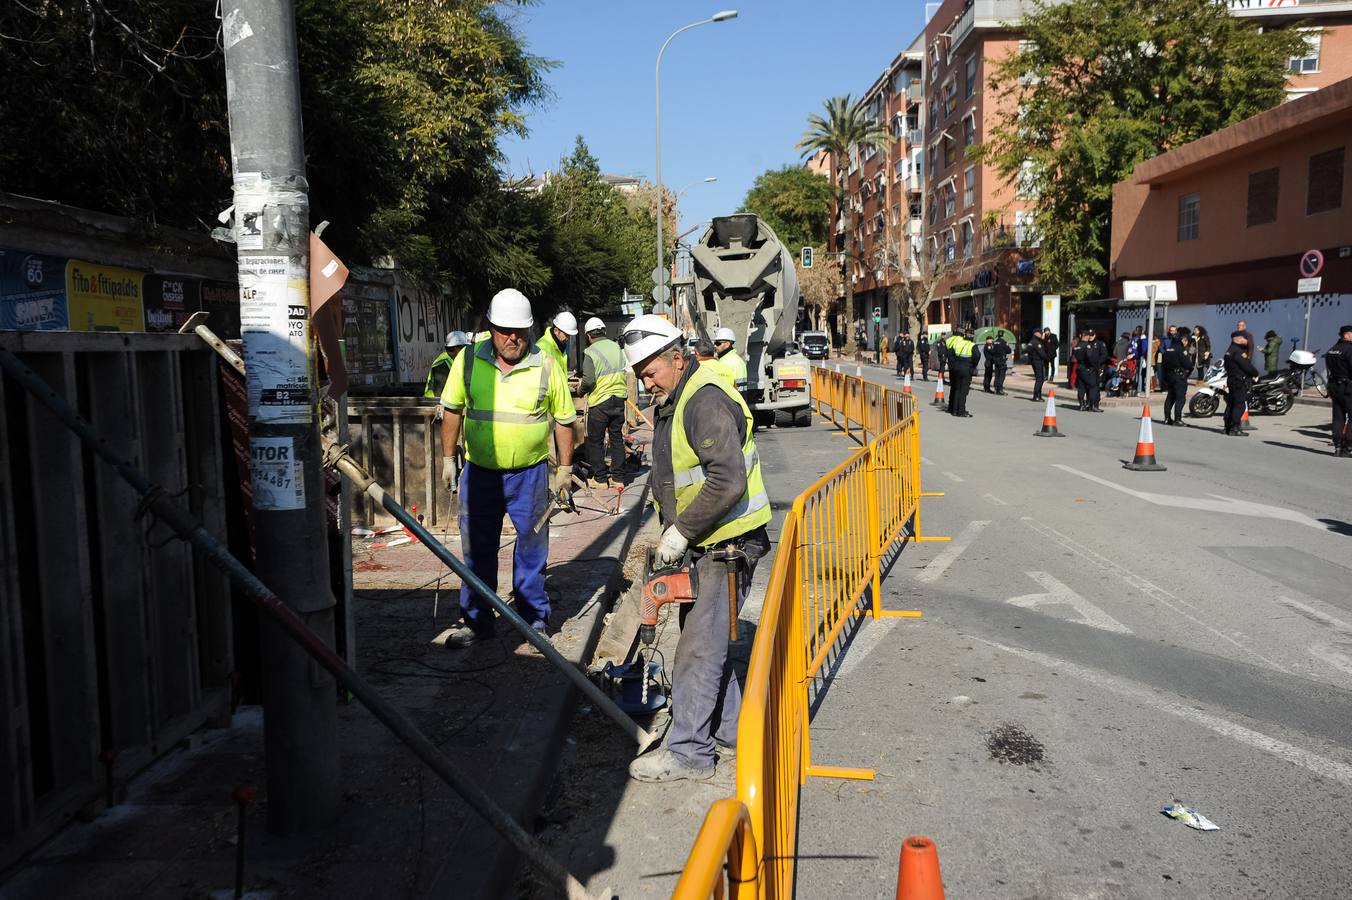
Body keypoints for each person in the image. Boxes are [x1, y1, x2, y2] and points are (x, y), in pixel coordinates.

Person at [621, 314, 771, 782]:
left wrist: (682, 530)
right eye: (641, 375)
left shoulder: (703, 400)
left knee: (697, 651)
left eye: (651, 372)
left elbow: (726, 478)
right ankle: (730, 733)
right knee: (709, 644)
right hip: (709, 545)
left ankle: (688, 751)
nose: (647, 384)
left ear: (677, 358)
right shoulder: (677, 396)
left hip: (725, 546)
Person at [439, 288, 577, 647]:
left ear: (530, 330)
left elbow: (564, 419)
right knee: (477, 549)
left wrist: (564, 469)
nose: (513, 337)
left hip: (528, 475)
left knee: (532, 547)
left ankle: (533, 619)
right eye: (504, 330)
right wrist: (446, 458)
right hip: (480, 473)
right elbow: (452, 409)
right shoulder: (467, 361)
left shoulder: (546, 364)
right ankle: (477, 621)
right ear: (491, 327)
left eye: (520, 330)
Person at [580, 317, 629, 490]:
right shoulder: (617, 347)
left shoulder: (590, 352)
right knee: (616, 438)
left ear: (588, 335)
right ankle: (618, 478)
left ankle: (600, 479)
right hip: (618, 399)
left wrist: (580, 391)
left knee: (596, 441)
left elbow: (588, 380)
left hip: (600, 401)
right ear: (604, 332)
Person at [1222, 331, 1259, 436]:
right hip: (1239, 381)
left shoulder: (1229, 350)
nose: (1246, 341)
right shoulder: (1238, 351)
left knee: (1231, 404)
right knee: (1240, 405)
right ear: (1238, 339)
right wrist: (1255, 373)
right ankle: (1235, 428)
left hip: (1232, 379)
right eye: (1244, 338)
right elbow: (1247, 366)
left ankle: (1227, 427)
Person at [1327, 325, 1352, 457]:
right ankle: (1348, 447)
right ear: (1346, 335)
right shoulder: (1349, 349)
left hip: (1334, 386)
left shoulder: (1332, 349)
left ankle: (1337, 446)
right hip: (1348, 387)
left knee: (1338, 417)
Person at [424, 330, 472, 400]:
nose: (467, 350)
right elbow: (440, 394)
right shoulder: (442, 365)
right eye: (465, 347)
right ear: (456, 349)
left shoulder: (455, 359)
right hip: (433, 405)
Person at [1161, 327, 1195, 426]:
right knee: (1180, 398)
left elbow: (1164, 365)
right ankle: (1178, 419)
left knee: (1170, 398)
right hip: (1179, 377)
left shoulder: (1168, 349)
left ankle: (1167, 418)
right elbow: (1188, 365)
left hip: (1170, 375)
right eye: (1186, 341)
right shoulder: (1181, 350)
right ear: (1183, 340)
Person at [944, 326, 977, 417]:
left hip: (954, 367)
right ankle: (961, 411)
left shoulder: (952, 341)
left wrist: (953, 363)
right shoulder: (971, 345)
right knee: (963, 391)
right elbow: (977, 356)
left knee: (955, 388)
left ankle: (953, 409)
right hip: (966, 368)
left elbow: (949, 353)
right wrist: (972, 366)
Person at [1072, 327, 1107, 411]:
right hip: (1087, 368)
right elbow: (1090, 358)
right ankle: (1093, 406)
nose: (1089, 337)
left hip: (1080, 368)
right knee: (1093, 386)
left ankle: (1082, 405)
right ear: (1086, 336)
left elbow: (1103, 355)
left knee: (1081, 387)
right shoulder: (1086, 346)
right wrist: (1096, 367)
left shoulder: (1077, 345)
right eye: (1088, 336)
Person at [712, 326, 748, 393]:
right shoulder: (722, 360)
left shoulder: (736, 362)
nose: (715, 346)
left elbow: (741, 391)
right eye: (714, 343)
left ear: (727, 344)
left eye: (718, 343)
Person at [1027, 327, 1049, 401]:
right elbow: (1042, 353)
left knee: (1039, 379)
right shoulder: (1036, 342)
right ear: (1036, 333)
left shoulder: (1031, 341)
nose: (1042, 334)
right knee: (1040, 379)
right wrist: (1047, 358)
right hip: (1038, 361)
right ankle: (1036, 396)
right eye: (1040, 333)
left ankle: (1038, 395)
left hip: (1034, 361)